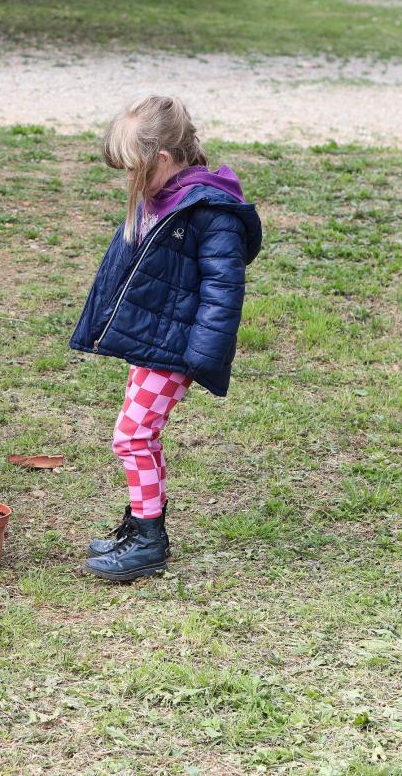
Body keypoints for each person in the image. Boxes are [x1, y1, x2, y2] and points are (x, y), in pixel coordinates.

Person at [70, 96, 262, 581]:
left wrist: (198, 359)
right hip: (154, 342)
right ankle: (139, 522)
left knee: (131, 436)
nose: (129, 182)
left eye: (134, 170)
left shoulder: (210, 212)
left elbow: (223, 295)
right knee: (140, 434)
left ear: (161, 160)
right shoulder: (163, 197)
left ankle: (149, 541)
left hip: (176, 351)